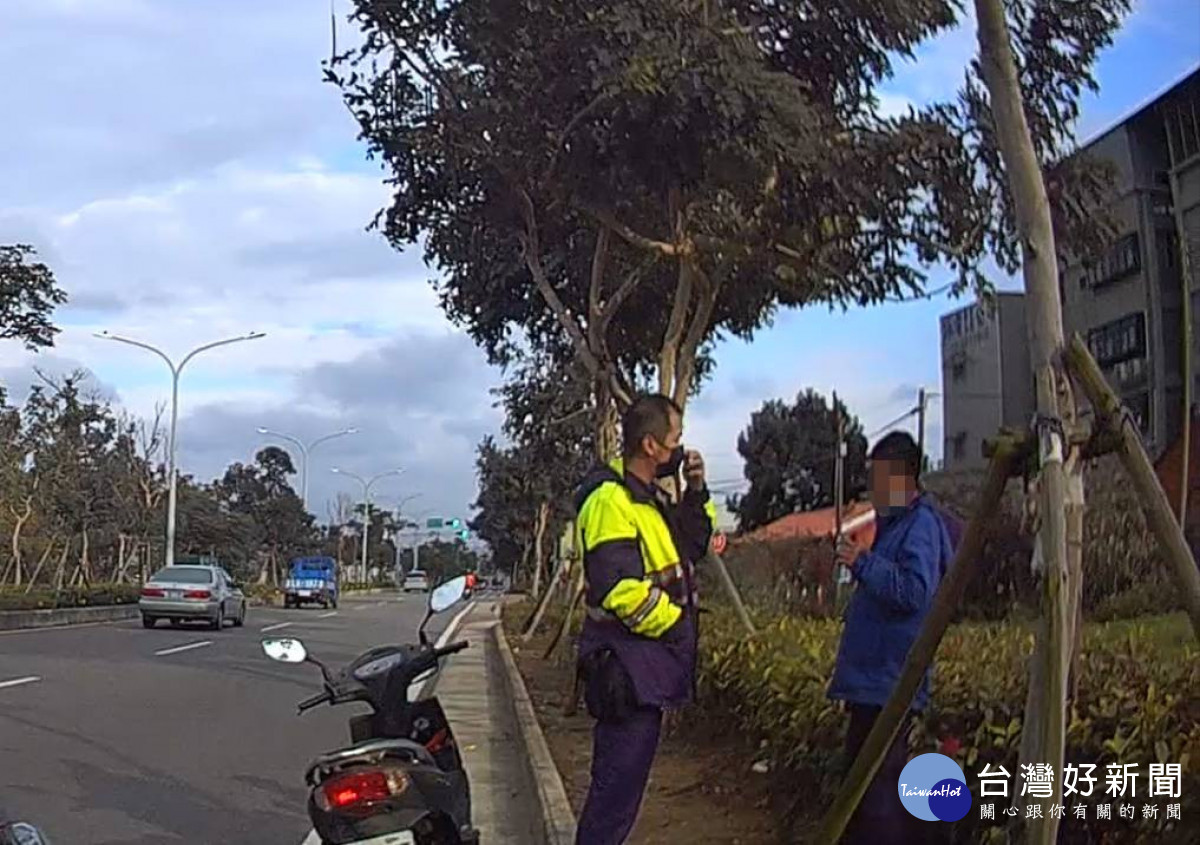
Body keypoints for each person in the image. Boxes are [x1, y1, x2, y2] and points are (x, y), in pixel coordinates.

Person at [573, 394, 716, 845]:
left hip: (646, 671)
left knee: (622, 797)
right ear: (652, 445)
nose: (681, 449)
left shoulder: (647, 499)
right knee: (613, 800)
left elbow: (691, 547)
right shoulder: (610, 501)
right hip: (626, 671)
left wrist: (696, 491)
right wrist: (678, 626)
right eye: (676, 440)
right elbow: (620, 590)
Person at [827, 431, 954, 843]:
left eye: (880, 479)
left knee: (877, 796)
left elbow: (915, 591)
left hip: (891, 684)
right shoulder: (893, 526)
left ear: (904, 480)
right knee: (859, 790)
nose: (874, 489)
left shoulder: (921, 526)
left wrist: (863, 563)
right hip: (872, 683)